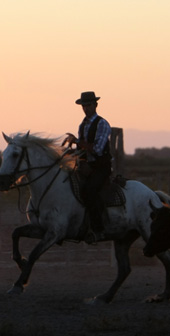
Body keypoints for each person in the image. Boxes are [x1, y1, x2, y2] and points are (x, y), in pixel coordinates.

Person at [64, 91, 112, 244]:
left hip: (101, 167)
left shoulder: (102, 124)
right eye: (84, 106)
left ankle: (99, 229)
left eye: (89, 105)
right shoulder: (83, 125)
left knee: (89, 190)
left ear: (95, 105)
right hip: (87, 166)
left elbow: (97, 149)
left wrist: (77, 141)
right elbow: (83, 150)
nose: (86, 108)